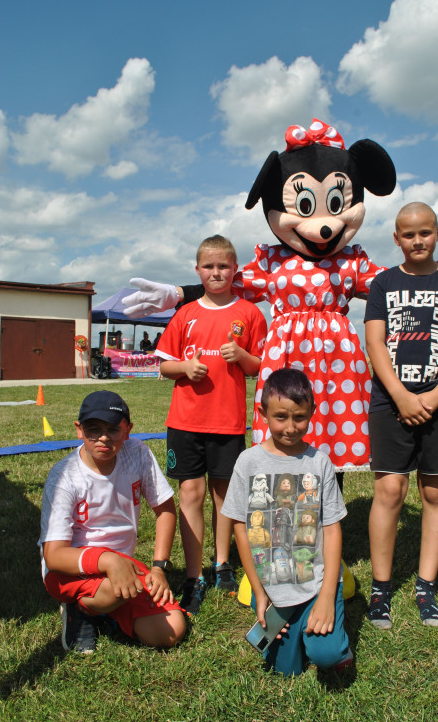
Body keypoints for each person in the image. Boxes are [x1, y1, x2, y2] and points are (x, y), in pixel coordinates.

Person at [364, 202, 438, 629]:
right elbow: (375, 343)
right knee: (389, 492)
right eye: (408, 234)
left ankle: (426, 586)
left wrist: (433, 397)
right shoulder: (383, 283)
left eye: (426, 233)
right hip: (389, 403)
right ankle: (381, 589)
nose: (417, 241)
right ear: (396, 238)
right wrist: (401, 396)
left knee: (435, 494)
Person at [155, 234, 267, 615]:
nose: (217, 272)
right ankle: (192, 575)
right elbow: (164, 365)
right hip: (186, 420)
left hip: (228, 422)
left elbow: (260, 367)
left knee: (224, 496)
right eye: (209, 266)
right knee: (190, 493)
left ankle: (222, 564)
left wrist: (243, 356)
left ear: (235, 269)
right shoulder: (185, 313)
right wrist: (184, 368)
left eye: (224, 266)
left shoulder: (249, 313)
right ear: (197, 270)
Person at [221, 368, 352, 677]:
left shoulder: (319, 462)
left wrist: (326, 596)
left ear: (313, 412)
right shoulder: (248, 462)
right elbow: (240, 527)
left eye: (300, 418)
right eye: (281, 417)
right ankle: (296, 630)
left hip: (315, 584)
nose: (291, 428)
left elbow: (332, 529)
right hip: (270, 587)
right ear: (263, 413)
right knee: (285, 671)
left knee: (327, 654)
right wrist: (259, 592)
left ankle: (331, 636)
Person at [39, 390, 186, 654]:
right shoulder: (63, 476)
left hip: (122, 566)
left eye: (113, 429)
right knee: (115, 591)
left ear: (128, 430)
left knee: (172, 631)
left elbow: (165, 510)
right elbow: (53, 556)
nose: (103, 437)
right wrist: (108, 560)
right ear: (78, 430)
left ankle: (108, 613)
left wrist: (158, 568)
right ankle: (80, 610)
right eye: (93, 429)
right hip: (70, 570)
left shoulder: (137, 453)